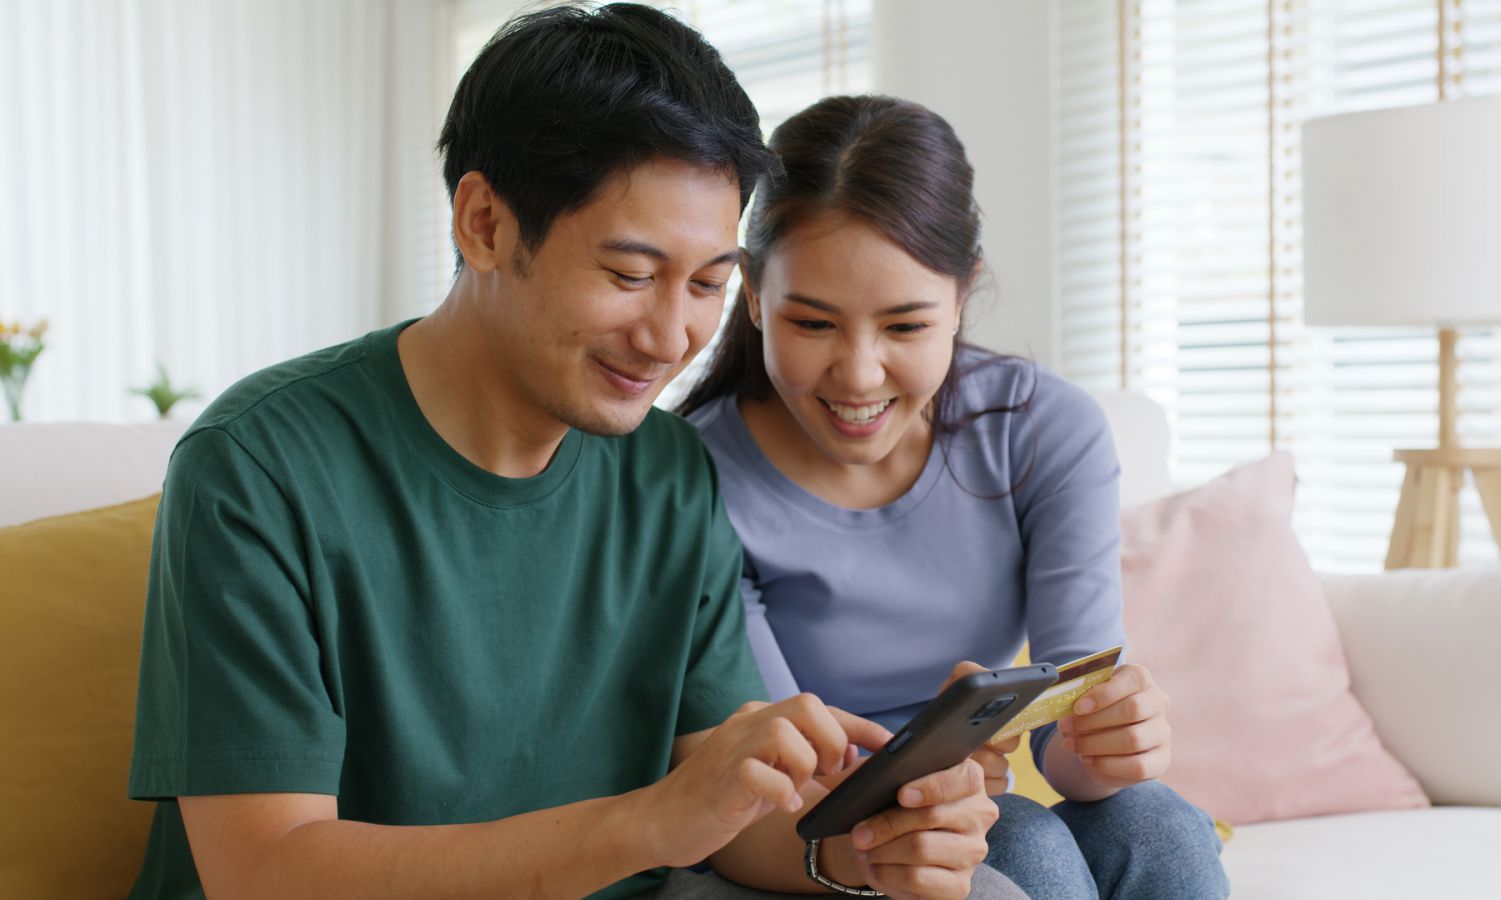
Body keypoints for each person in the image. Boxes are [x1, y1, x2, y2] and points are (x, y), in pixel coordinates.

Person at [125, 8, 1023, 899]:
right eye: (630, 275)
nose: (673, 336)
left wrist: (857, 849)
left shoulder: (666, 475)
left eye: (709, 283)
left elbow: (733, 812)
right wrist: (647, 822)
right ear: (482, 223)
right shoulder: (259, 467)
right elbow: (264, 869)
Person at [679, 94, 1231, 898]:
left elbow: (1068, 760)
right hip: (808, 830)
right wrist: (928, 773)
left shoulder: (1045, 431)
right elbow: (772, 780)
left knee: (1160, 824)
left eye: (905, 327)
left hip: (974, 797)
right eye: (814, 325)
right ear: (755, 294)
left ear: (962, 297)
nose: (860, 374)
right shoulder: (695, 479)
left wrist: (1110, 738)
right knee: (1026, 844)